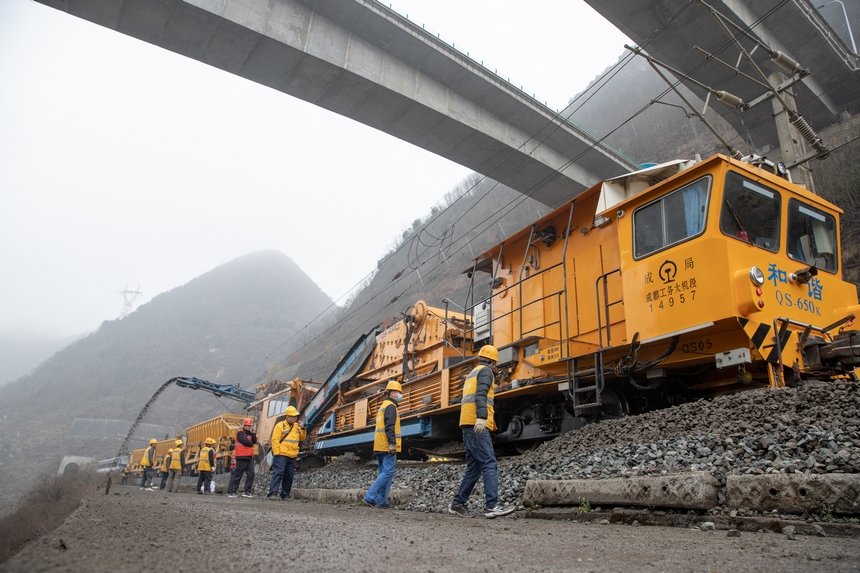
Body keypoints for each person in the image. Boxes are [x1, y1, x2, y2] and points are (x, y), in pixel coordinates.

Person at [448, 345, 516, 519]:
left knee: (475, 467)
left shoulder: (473, 373)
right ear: (493, 361)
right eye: (495, 363)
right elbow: (481, 396)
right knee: (489, 463)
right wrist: (481, 417)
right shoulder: (486, 372)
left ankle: (458, 504)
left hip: (467, 423)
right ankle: (492, 505)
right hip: (476, 424)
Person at [362, 380, 402, 509]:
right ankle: (370, 497)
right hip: (386, 445)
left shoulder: (383, 406)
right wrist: (392, 444)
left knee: (383, 473)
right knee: (387, 472)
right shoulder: (391, 406)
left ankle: (381, 501)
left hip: (379, 445)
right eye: (397, 392)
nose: (400, 395)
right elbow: (389, 427)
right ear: (392, 393)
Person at [267, 406, 306, 500]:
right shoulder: (280, 426)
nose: (295, 418)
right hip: (281, 454)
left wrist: (303, 429)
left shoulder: (297, 426)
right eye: (293, 416)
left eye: (296, 416)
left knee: (289, 475)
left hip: (292, 455)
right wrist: (276, 453)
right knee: (278, 473)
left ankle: (285, 494)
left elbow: (302, 438)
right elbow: (275, 440)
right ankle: (273, 493)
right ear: (287, 417)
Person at [227, 417, 257, 498]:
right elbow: (245, 442)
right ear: (244, 425)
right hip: (241, 456)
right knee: (238, 474)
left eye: (250, 426)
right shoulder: (240, 433)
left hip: (249, 457)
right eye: (247, 426)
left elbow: (254, 441)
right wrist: (250, 443)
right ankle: (232, 491)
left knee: (251, 474)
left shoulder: (250, 433)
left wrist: (253, 433)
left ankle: (247, 491)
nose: (249, 427)